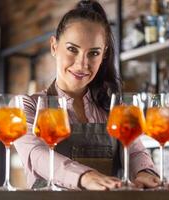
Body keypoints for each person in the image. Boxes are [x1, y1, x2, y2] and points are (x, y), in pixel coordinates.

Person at [14, 0, 160, 191]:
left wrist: (144, 174)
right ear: (54, 47)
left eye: (93, 53)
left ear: (104, 55)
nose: (82, 64)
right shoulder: (29, 106)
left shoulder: (113, 107)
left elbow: (135, 151)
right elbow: (37, 155)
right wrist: (85, 177)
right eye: (72, 49)